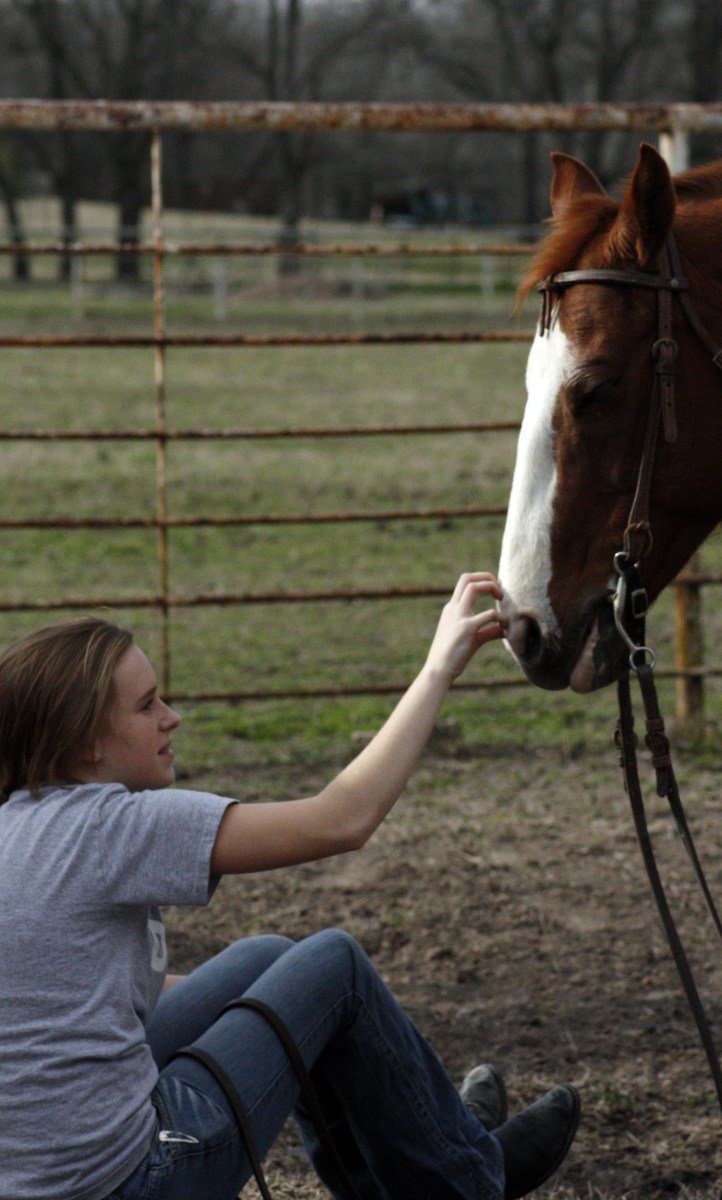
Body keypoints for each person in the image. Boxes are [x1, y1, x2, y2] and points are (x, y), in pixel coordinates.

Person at [0, 572, 580, 1200]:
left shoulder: (18, 825)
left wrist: (297, 1018)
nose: (172, 717)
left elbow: (84, 995)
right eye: (146, 706)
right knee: (333, 965)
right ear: (87, 743)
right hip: (137, 1180)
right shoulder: (113, 827)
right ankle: (471, 1181)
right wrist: (438, 668)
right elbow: (342, 820)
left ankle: (427, 1150)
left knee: (272, 962)